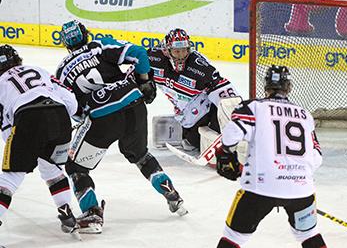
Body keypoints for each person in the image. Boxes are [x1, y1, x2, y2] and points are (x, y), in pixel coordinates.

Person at [56, 20, 187, 234]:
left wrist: (84, 118)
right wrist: (144, 81)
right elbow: (139, 54)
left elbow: (73, 108)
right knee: (141, 155)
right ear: (86, 35)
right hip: (134, 104)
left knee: (75, 168)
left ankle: (92, 213)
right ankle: (172, 195)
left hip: (102, 117)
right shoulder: (99, 45)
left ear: (66, 44)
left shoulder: (62, 71)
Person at [215, 65, 326, 248]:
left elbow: (231, 135)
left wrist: (225, 153)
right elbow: (316, 158)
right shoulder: (305, 115)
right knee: (309, 235)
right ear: (289, 87)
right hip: (302, 191)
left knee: (233, 237)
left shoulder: (254, 107)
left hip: (261, 189)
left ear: (266, 87)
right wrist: (293, 176)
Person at [0, 44, 80, 237]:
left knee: (10, 177)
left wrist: (22, 145)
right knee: (52, 169)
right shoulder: (38, 69)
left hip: (28, 118)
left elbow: (4, 125)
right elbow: (72, 102)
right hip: (59, 116)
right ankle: (67, 215)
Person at [147, 28, 240, 152]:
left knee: (206, 137)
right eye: (176, 51)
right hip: (186, 116)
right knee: (192, 141)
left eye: (184, 51)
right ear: (167, 51)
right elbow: (135, 68)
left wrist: (236, 112)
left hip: (208, 111)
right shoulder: (153, 59)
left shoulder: (199, 66)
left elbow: (222, 88)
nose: (181, 55)